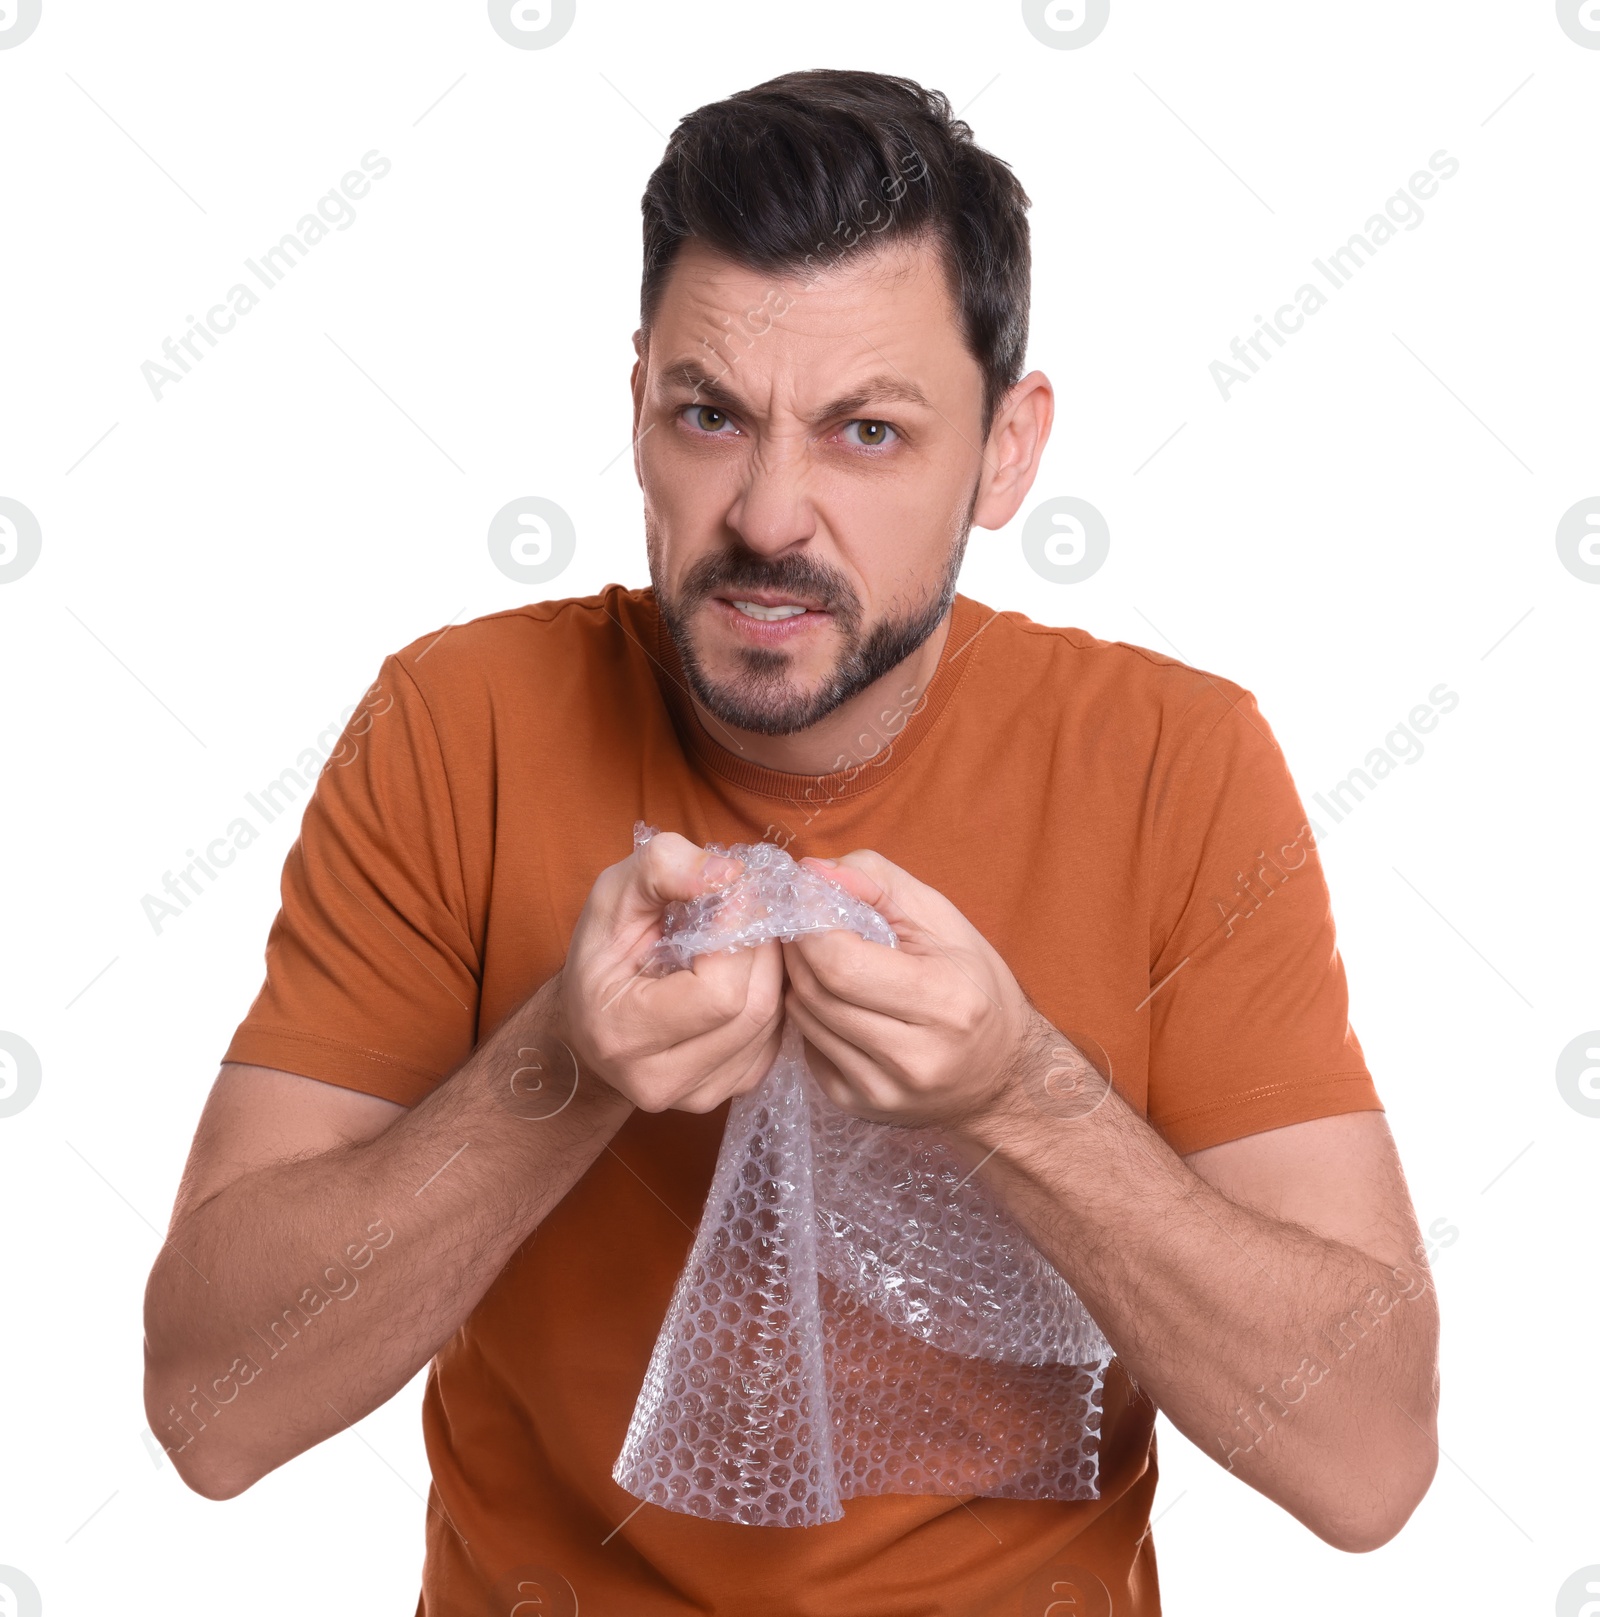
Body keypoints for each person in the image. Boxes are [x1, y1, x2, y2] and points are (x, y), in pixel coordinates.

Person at [143, 68, 1439, 1617]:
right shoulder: (458, 724)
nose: (769, 513)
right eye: (711, 416)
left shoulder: (1174, 762)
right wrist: (559, 1064)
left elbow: (1370, 1463)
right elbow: (208, 1408)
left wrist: (1021, 1099)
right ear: (637, 408)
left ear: (1008, 451)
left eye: (867, 433)